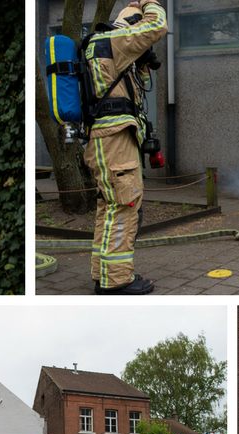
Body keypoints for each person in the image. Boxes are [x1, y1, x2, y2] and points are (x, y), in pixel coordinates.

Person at [81, 1, 166, 295]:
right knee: (124, 207)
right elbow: (157, 25)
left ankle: (105, 273)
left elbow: (137, 95)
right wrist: (148, 2)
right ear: (130, 23)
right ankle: (117, 281)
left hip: (111, 140)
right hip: (114, 141)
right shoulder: (111, 40)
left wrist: (141, 63)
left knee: (110, 208)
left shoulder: (106, 47)